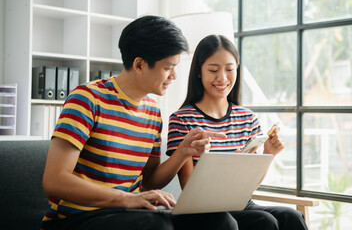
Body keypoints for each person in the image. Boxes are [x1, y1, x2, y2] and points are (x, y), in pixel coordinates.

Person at [41, 15, 244, 230]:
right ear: (139, 64)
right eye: (168, 67)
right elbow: (54, 181)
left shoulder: (152, 112)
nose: (174, 76)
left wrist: (183, 151)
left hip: (130, 214)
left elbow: (150, 180)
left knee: (220, 221)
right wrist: (126, 198)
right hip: (77, 219)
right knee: (156, 226)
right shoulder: (87, 99)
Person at [167, 34, 308, 230]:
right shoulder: (182, 119)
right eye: (213, 70)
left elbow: (249, 187)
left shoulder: (247, 118)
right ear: (199, 72)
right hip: (202, 210)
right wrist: (222, 169)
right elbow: (189, 188)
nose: (222, 78)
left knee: (292, 216)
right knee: (264, 222)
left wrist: (269, 153)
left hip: (241, 205)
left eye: (230, 69)